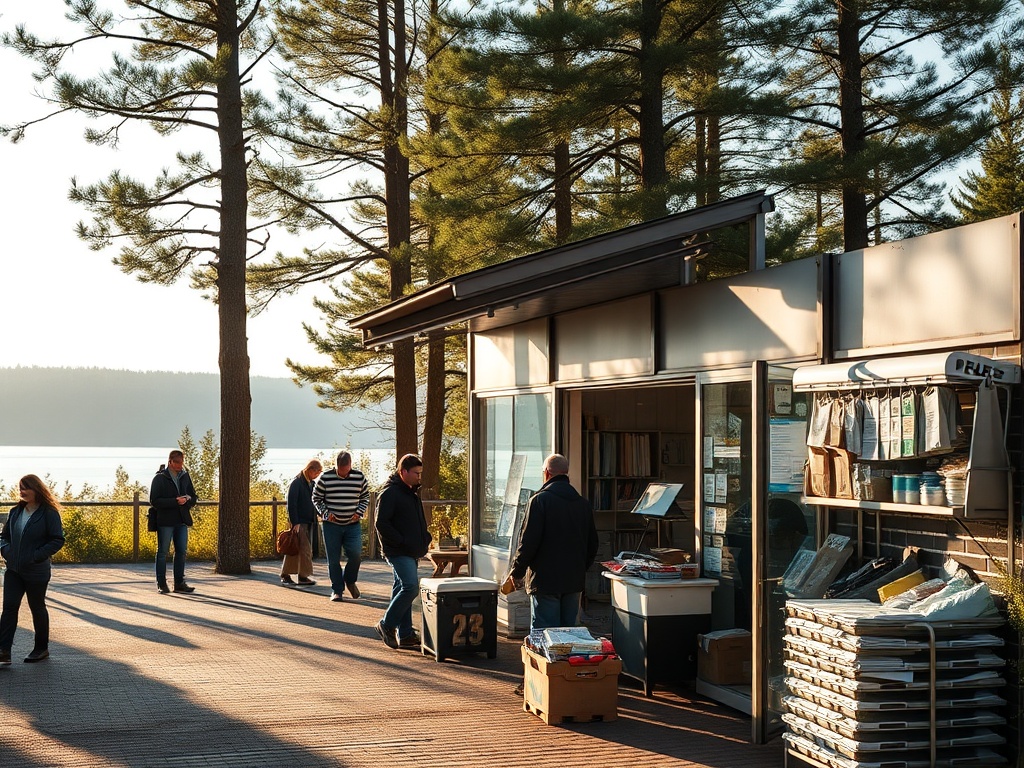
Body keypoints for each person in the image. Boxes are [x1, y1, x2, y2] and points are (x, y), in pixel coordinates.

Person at [506, 453, 599, 631]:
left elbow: (528, 543)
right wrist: (580, 567)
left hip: (545, 580)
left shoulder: (539, 501)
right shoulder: (582, 504)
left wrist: (517, 571)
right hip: (573, 580)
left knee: (545, 634)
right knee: (570, 633)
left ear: (547, 473)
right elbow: (592, 544)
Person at [0, 474, 66, 665]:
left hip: (36, 571)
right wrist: (6, 550)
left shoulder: (49, 513)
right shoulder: (15, 512)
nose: (22, 491)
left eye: (26, 487)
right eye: (20, 488)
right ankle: (4, 651)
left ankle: (41, 648)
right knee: (9, 607)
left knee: (37, 608)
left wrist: (36, 556)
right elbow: (4, 537)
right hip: (13, 569)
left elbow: (57, 540)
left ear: (37, 489)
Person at [373, 454, 432, 650]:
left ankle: (405, 633)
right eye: (416, 473)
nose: (419, 477)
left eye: (420, 473)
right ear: (403, 472)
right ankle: (386, 624)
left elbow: (414, 521)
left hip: (410, 549)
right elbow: (381, 523)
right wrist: (402, 541)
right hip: (398, 551)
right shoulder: (390, 493)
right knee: (410, 587)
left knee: (401, 587)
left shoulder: (410, 492)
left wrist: (425, 537)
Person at [313, 451, 369, 602]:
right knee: (333, 559)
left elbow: (365, 497)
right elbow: (316, 498)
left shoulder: (359, 477)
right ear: (336, 465)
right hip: (331, 525)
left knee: (356, 554)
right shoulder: (325, 478)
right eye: (340, 471)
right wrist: (325, 513)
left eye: (346, 470)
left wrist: (359, 512)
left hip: (353, 524)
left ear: (350, 465)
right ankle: (337, 590)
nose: (343, 474)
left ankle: (349, 580)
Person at [150, 449, 199, 594]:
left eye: (181, 462)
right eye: (177, 462)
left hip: (181, 520)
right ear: (170, 461)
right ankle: (161, 583)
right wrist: (174, 501)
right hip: (165, 521)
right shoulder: (159, 478)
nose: (179, 465)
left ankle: (179, 583)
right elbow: (154, 501)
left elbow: (194, 496)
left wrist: (188, 500)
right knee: (163, 552)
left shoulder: (185, 476)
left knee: (181, 552)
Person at [281, 459, 322, 586]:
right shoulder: (297, 483)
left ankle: (286, 574)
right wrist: (295, 522)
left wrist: (321, 514)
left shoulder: (311, 484)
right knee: (304, 549)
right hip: (300, 522)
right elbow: (291, 504)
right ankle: (303, 576)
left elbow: (315, 502)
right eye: (317, 472)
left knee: (295, 548)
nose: (318, 475)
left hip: (309, 521)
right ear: (310, 470)